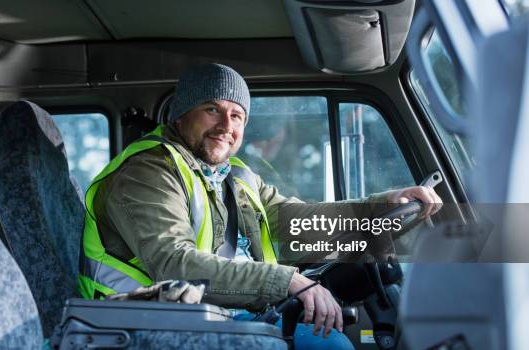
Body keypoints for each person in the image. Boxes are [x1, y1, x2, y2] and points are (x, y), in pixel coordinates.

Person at [79, 63, 441, 349]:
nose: (225, 126)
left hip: (218, 317)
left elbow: (297, 223)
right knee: (327, 345)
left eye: (237, 116)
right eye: (211, 109)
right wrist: (287, 281)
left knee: (329, 338)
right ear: (180, 115)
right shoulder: (146, 172)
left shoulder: (233, 175)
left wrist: (384, 205)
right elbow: (175, 263)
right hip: (149, 326)